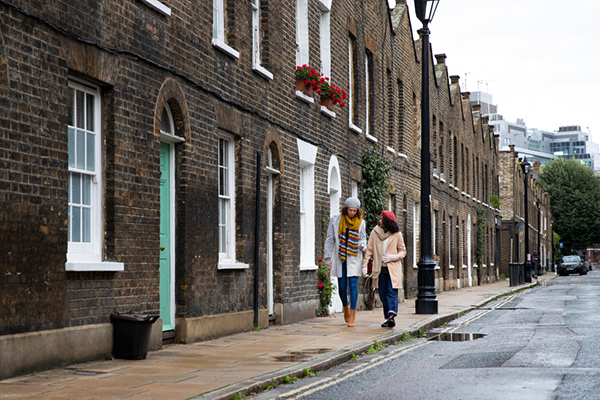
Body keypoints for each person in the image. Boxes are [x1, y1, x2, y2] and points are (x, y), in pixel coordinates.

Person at [324, 197, 367, 327]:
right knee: (342, 286)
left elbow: (362, 238)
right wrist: (327, 258)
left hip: (353, 257)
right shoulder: (335, 220)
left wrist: (363, 246)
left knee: (353, 285)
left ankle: (352, 315)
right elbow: (330, 239)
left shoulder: (361, 223)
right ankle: (345, 306)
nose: (352, 213)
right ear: (345, 209)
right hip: (340, 257)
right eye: (350, 210)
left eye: (354, 211)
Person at [362, 210, 406, 328]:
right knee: (382, 293)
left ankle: (391, 316)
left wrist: (394, 257)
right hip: (379, 269)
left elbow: (403, 251)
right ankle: (388, 317)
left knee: (391, 292)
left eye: (381, 219)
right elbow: (369, 250)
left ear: (387, 221)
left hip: (392, 269)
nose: (379, 221)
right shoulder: (375, 232)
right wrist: (365, 266)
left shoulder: (397, 234)